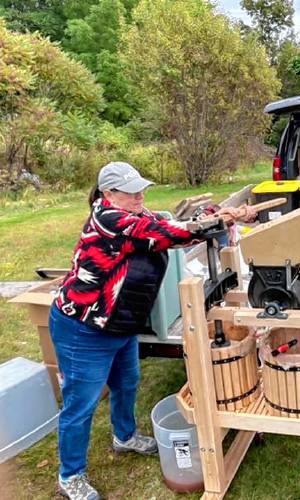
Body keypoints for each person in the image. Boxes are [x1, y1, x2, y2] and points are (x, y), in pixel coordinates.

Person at [49, 161, 249, 500]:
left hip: (121, 323)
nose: (140, 193)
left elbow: (172, 223)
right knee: (79, 406)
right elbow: (171, 235)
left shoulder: (139, 215)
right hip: (84, 328)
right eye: (130, 191)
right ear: (108, 194)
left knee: (127, 384)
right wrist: (222, 220)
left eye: (141, 186)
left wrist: (222, 214)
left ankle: (124, 437)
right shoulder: (111, 220)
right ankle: (70, 475)